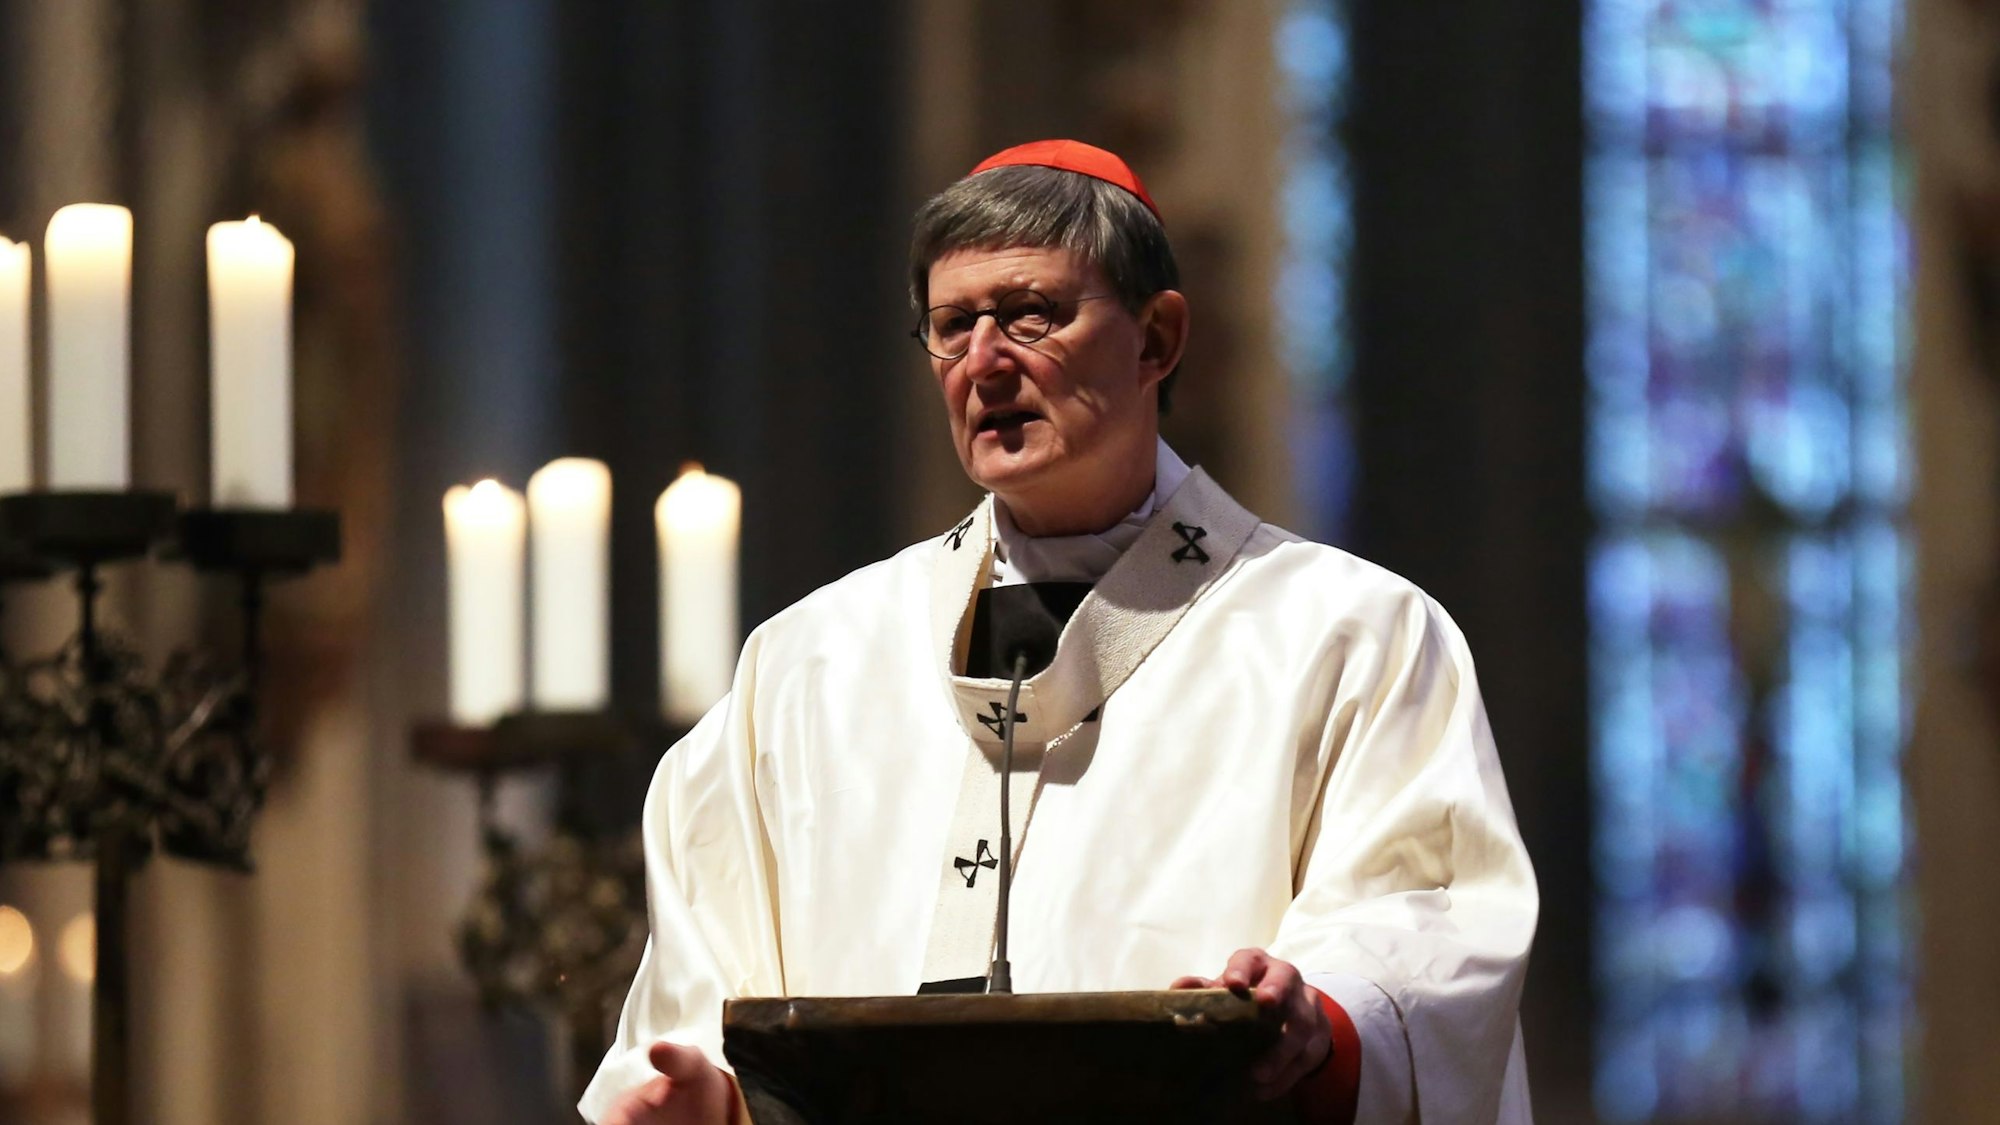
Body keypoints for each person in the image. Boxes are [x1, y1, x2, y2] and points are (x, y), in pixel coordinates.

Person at [583, 139, 1537, 1125]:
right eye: (953, 326)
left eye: (1030, 314)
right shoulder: (808, 664)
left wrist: (1321, 1025)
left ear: (1157, 339)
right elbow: (705, 997)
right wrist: (705, 1096)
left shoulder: (1346, 636)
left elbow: (1428, 927)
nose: (985, 361)